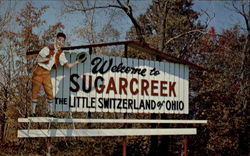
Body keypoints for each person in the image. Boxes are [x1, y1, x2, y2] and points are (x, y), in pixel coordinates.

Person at [31, 32, 79, 117]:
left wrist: (77, 62)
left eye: (63, 41)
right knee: (35, 91)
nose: (61, 42)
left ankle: (50, 113)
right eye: (59, 40)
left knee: (50, 92)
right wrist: (47, 58)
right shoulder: (47, 48)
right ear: (56, 39)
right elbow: (38, 59)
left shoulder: (61, 53)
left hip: (46, 73)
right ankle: (32, 112)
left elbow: (67, 65)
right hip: (39, 70)